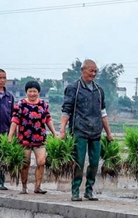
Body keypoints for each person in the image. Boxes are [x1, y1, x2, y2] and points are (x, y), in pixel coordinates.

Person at [60, 59, 114, 202]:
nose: (94, 74)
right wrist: (62, 130)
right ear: (83, 70)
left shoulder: (99, 90)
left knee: (95, 162)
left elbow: (103, 113)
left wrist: (108, 133)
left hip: (96, 131)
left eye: (95, 71)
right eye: (91, 70)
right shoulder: (74, 88)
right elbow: (66, 110)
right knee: (78, 161)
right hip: (79, 130)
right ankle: (75, 190)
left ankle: (89, 190)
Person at [7, 80, 57, 195]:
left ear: (38, 92)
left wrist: (54, 133)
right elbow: (15, 120)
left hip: (40, 138)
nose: (32, 94)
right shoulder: (21, 104)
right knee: (25, 164)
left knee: (41, 162)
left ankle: (37, 186)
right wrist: (10, 136)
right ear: (26, 92)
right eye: (30, 91)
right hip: (24, 139)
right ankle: (24, 187)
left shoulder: (43, 104)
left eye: (35, 91)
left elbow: (48, 119)